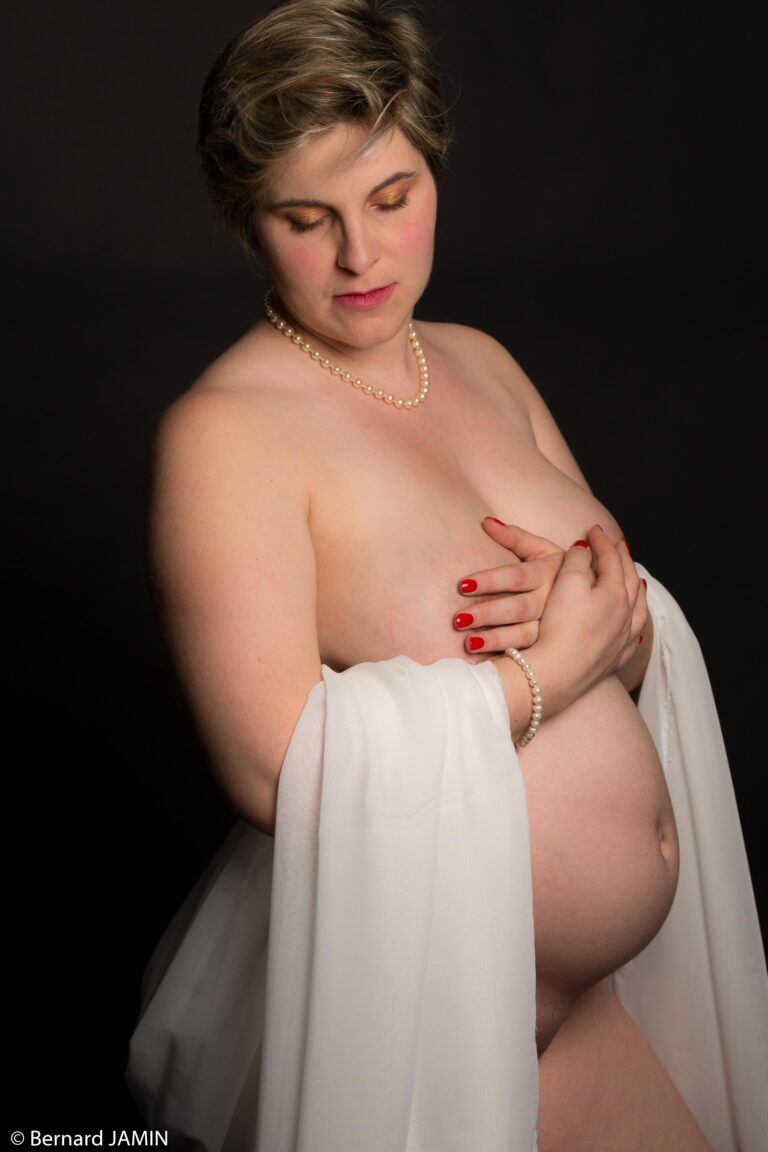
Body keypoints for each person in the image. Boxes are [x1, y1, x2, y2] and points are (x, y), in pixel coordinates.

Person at [125, 2, 767, 1149]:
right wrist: (548, 674)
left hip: (579, 1021)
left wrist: (618, 630)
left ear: (435, 171)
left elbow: (614, 623)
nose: (361, 256)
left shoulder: (482, 363)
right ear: (242, 219)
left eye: (393, 197)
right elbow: (273, 767)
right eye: (306, 218)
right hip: (430, 1026)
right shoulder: (224, 435)